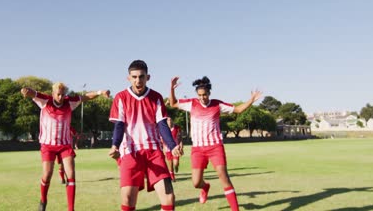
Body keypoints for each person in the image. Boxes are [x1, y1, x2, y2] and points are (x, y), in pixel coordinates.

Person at [169, 76, 262, 211]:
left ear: (209, 93)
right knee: (196, 183)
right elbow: (173, 103)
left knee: (224, 177)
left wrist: (251, 100)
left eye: (205, 94)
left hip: (215, 147)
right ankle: (205, 187)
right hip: (198, 149)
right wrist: (171, 89)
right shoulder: (192, 104)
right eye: (200, 95)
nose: (202, 98)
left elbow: (238, 110)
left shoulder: (217, 105)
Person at [21, 82, 110, 211]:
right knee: (47, 174)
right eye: (58, 94)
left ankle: (71, 209)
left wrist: (99, 92)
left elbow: (85, 97)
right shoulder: (45, 101)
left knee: (71, 174)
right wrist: (26, 90)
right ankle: (43, 200)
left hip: (64, 145)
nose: (61, 97)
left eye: (63, 94)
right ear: (53, 94)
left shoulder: (69, 102)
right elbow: (32, 93)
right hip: (48, 145)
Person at [108, 60, 182, 211]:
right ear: (128, 78)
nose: (138, 80)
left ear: (148, 77)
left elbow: (162, 124)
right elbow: (119, 125)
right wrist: (115, 145)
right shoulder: (121, 97)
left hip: (154, 151)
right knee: (128, 199)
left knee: (169, 198)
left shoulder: (156, 97)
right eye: (134, 77)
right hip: (130, 151)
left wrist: (173, 146)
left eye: (141, 76)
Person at [162, 117, 183, 182]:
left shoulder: (177, 128)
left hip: (175, 147)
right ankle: (172, 176)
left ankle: (176, 166)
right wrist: (164, 146)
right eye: (168, 120)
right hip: (168, 148)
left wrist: (181, 144)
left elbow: (180, 137)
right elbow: (162, 139)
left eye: (171, 120)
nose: (169, 121)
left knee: (175, 163)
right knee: (170, 163)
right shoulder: (164, 129)